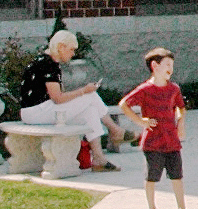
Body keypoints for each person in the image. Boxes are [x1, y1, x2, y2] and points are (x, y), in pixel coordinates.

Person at [18, 30, 124, 166]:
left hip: (40, 110)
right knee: (91, 96)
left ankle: (99, 158)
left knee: (90, 110)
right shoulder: (49, 65)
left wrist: (81, 94)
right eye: (71, 49)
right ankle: (114, 130)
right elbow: (58, 98)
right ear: (61, 46)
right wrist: (83, 91)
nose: (73, 54)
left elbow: (57, 97)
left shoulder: (44, 61)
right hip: (36, 112)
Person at [119, 48, 197, 209]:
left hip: (171, 139)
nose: (171, 68)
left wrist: (181, 124)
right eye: (167, 64)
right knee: (152, 175)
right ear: (155, 65)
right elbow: (124, 104)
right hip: (153, 141)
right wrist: (141, 122)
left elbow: (180, 107)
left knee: (177, 174)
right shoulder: (146, 89)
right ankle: (152, 208)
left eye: (172, 65)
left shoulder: (174, 88)